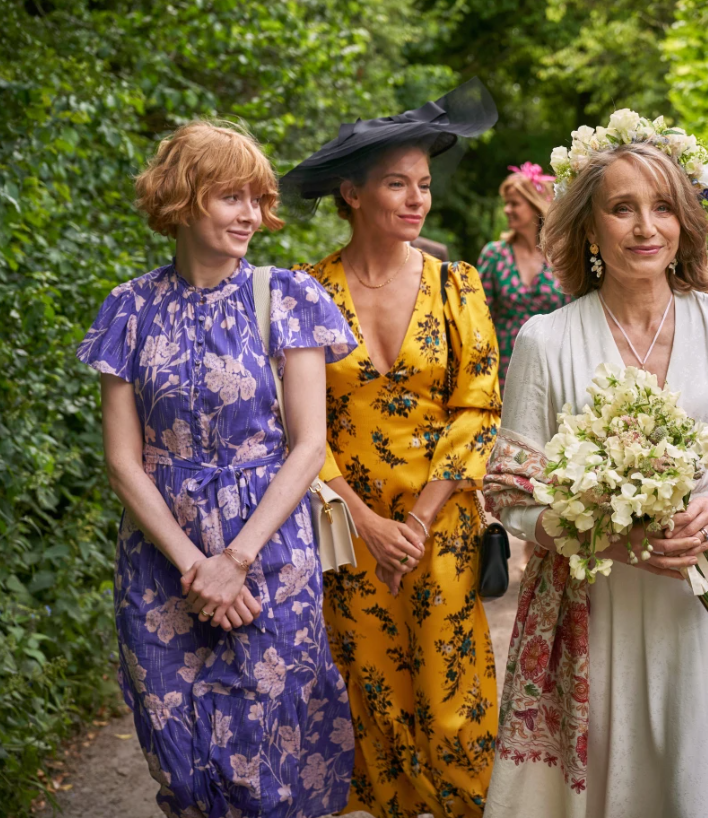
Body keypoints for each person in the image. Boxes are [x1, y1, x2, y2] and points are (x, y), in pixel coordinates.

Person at [481, 113, 708, 818]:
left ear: (685, 221)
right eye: (621, 208)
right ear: (588, 227)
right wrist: (612, 537)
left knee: (702, 791)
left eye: (662, 207)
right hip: (592, 610)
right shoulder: (545, 340)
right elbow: (510, 491)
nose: (644, 227)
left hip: (703, 611)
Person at [76, 121, 357, 817]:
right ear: (182, 199)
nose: (251, 215)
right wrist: (196, 567)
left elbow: (308, 447)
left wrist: (234, 560)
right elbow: (122, 461)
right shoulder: (129, 309)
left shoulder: (287, 297)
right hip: (160, 564)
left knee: (268, 758)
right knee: (180, 764)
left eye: (258, 199)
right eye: (232, 197)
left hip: (269, 558)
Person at [280, 79, 501, 818]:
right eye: (397, 184)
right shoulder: (303, 293)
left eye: (424, 184)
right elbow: (297, 425)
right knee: (369, 692)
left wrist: (417, 519)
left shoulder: (456, 284)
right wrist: (367, 523)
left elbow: (478, 406)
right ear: (351, 193)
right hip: (345, 529)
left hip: (441, 523)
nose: (417, 200)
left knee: (452, 696)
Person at [476, 161, 569, 388]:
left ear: (535, 205)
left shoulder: (563, 256)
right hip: (502, 368)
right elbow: (478, 318)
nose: (507, 210)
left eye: (514, 204)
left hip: (554, 367)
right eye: (506, 203)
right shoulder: (495, 255)